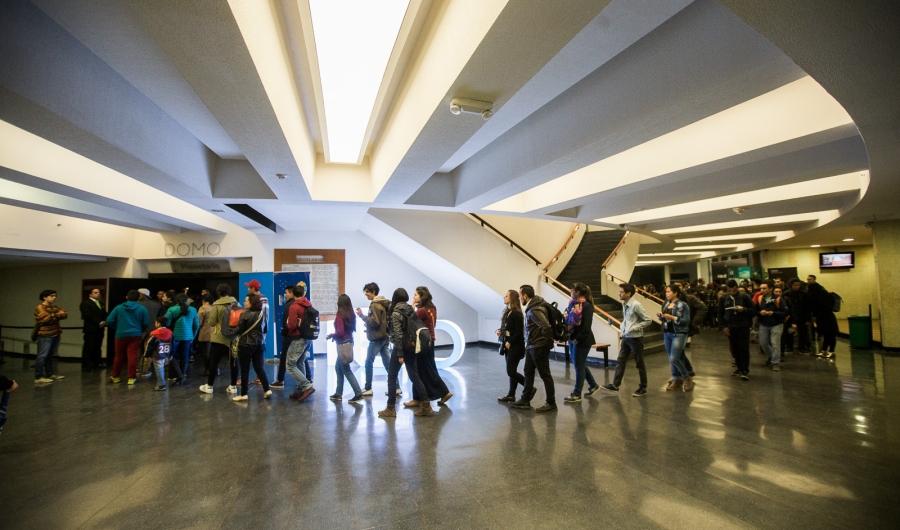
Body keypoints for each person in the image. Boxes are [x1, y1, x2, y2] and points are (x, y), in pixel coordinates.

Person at [378, 288, 431, 418]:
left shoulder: (396, 313)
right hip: (412, 347)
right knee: (414, 376)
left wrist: (400, 354)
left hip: (401, 348)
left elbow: (398, 334)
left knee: (391, 376)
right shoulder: (410, 309)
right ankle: (426, 405)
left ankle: (390, 408)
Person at [600, 283, 652, 397]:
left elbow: (648, 320)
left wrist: (634, 328)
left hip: (636, 338)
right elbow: (628, 319)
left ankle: (643, 387)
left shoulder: (636, 305)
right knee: (621, 360)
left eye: (621, 292)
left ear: (628, 293)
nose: (619, 293)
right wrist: (623, 327)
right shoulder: (624, 304)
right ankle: (615, 385)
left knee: (639, 363)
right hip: (626, 337)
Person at [511, 285, 556, 412]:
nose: (519, 298)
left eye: (520, 295)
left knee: (545, 375)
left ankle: (551, 402)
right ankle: (525, 399)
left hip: (538, 346)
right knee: (528, 371)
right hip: (532, 345)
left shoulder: (534, 309)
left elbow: (546, 327)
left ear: (525, 295)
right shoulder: (534, 306)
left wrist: (547, 343)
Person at [406, 286, 452, 408]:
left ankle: (443, 392)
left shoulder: (421, 311)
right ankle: (419, 397)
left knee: (421, 370)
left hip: (422, 343)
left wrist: (411, 305)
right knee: (426, 369)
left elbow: (410, 321)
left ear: (422, 296)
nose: (414, 297)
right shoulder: (432, 308)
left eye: (416, 295)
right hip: (430, 341)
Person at [199, 284, 239, 395]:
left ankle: (210, 386)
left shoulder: (216, 305)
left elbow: (211, 322)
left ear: (218, 293)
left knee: (214, 362)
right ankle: (233, 386)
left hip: (219, 338)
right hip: (233, 338)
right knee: (234, 362)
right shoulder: (237, 303)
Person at [105, 290, 151, 385]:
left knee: (118, 356)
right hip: (135, 334)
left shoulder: (118, 308)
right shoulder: (142, 309)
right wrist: (139, 329)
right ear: (138, 298)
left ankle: (115, 376)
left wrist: (117, 327)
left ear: (126, 297)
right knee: (132, 355)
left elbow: (109, 320)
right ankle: (131, 378)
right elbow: (146, 322)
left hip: (120, 334)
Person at [355, 282, 393, 397]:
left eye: (367, 291)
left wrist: (362, 316)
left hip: (376, 338)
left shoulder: (374, 305)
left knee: (368, 362)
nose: (365, 294)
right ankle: (396, 387)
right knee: (388, 364)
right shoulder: (383, 303)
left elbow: (375, 322)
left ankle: (368, 388)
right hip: (385, 336)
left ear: (373, 292)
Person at [232, 294, 272, 402]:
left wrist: (229, 332)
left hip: (246, 344)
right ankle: (267, 389)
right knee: (259, 367)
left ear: (251, 303)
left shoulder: (244, 315)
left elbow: (239, 330)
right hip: (259, 344)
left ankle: (244, 394)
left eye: (246, 301)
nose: (244, 303)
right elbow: (265, 329)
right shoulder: (262, 314)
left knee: (245, 370)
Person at [563, 282, 598, 403]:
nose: (570, 292)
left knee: (579, 366)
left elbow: (586, 327)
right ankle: (593, 385)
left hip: (582, 340)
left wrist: (578, 339)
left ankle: (577, 393)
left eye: (571, 290)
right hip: (572, 338)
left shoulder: (586, 306)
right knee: (580, 364)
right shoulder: (572, 304)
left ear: (577, 292)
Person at [327, 294, 363, 403]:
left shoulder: (339, 316)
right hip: (348, 342)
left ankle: (358, 393)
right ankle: (338, 393)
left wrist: (331, 335)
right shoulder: (350, 314)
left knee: (346, 369)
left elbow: (340, 332)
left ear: (341, 303)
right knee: (338, 368)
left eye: (338, 300)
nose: (336, 302)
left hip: (342, 344)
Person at [718, 279, 756, 380]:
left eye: (734, 291)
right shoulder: (723, 299)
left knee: (743, 348)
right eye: (730, 291)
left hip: (743, 326)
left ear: (737, 288)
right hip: (730, 327)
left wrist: (744, 309)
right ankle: (739, 367)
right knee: (735, 348)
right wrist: (723, 327)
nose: (732, 293)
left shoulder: (745, 297)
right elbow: (720, 313)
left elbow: (754, 311)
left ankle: (745, 370)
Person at [283, 284, 315, 401]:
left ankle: (306, 386)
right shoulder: (308, 304)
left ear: (293, 294)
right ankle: (300, 390)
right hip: (308, 338)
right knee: (300, 362)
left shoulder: (294, 306)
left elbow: (291, 325)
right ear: (303, 293)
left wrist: (287, 325)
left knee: (290, 365)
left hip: (297, 338)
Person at [658, 284, 693, 391]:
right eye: (666, 292)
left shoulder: (683, 305)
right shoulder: (666, 304)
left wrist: (672, 317)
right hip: (667, 333)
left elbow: (686, 321)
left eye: (669, 292)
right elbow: (665, 320)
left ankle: (686, 376)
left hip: (679, 333)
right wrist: (662, 317)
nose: (666, 294)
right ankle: (675, 379)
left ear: (675, 293)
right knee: (671, 358)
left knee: (674, 358)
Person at [34, 289, 68, 384]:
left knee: (50, 355)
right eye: (52, 296)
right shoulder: (39, 307)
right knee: (42, 356)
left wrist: (53, 315)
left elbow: (65, 314)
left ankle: (50, 373)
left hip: (56, 334)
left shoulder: (55, 307)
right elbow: (45, 318)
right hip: (45, 335)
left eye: (55, 296)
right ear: (45, 297)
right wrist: (57, 315)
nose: (54, 297)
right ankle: (39, 376)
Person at [497, 290, 525, 402]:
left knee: (511, 371)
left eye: (506, 296)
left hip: (515, 346)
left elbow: (519, 332)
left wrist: (510, 341)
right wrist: (499, 331)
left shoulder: (516, 313)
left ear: (512, 298)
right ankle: (511, 394)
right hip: (508, 345)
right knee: (511, 371)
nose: (504, 297)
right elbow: (507, 328)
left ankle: (529, 387)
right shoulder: (507, 312)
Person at [165, 293, 199, 379]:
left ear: (176, 300)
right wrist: (192, 336)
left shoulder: (171, 309)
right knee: (185, 355)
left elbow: (167, 323)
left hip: (174, 337)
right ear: (187, 300)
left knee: (173, 355)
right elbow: (196, 325)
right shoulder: (193, 310)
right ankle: (183, 373)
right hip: (188, 337)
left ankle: (173, 375)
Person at [756, 280, 787, 371]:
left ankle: (775, 362)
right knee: (763, 343)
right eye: (761, 288)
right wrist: (760, 312)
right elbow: (755, 310)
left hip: (776, 324)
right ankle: (771, 357)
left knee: (775, 343)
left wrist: (773, 313)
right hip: (764, 323)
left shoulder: (778, 299)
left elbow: (785, 312)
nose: (762, 290)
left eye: (764, 288)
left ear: (771, 288)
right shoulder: (760, 299)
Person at [146, 316, 182, 391]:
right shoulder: (170, 333)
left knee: (159, 369)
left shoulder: (154, 334)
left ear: (158, 324)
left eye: (156, 322)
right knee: (161, 368)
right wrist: (171, 354)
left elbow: (149, 345)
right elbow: (173, 344)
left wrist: (147, 355)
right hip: (166, 353)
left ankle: (161, 384)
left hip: (157, 355)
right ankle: (161, 382)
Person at [807, 275, 837, 358]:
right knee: (827, 334)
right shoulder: (822, 292)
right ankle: (825, 350)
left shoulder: (819, 295)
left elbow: (820, 305)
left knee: (829, 334)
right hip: (824, 316)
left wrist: (815, 315)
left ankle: (831, 351)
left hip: (825, 316)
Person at [271, 284, 295, 389]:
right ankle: (308, 378)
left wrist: (284, 333)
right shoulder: (301, 304)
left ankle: (280, 380)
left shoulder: (289, 306)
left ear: (291, 293)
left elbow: (286, 322)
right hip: (299, 335)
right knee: (301, 357)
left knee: (284, 357)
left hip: (289, 335)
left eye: (286, 293)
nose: (285, 295)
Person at [79, 288, 107, 372]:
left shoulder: (100, 303)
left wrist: (106, 320)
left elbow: (104, 313)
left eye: (99, 292)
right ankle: (86, 364)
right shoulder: (85, 303)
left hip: (99, 329)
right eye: (95, 292)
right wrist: (99, 322)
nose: (98, 294)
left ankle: (96, 363)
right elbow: (88, 315)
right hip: (91, 328)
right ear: (90, 294)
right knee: (88, 347)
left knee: (97, 346)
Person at [785, 279, 811, 353]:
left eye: (798, 285)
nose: (796, 287)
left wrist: (808, 319)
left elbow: (807, 307)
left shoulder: (804, 294)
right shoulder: (787, 294)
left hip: (802, 316)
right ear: (791, 285)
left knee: (803, 332)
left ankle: (802, 347)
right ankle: (789, 346)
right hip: (790, 316)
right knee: (789, 332)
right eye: (795, 285)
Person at [196, 294, 214, 376]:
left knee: (206, 352)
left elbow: (198, 321)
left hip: (205, 333)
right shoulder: (215, 307)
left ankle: (208, 369)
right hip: (215, 333)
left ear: (204, 300)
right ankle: (215, 369)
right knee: (213, 352)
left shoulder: (203, 308)